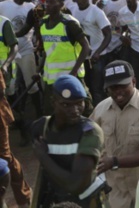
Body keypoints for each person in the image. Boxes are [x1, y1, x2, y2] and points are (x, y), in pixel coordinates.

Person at [90, 60, 139, 208]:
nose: (118, 91)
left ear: (134, 81)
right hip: (115, 194)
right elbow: (90, 140)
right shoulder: (101, 110)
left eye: (123, 86)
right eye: (113, 87)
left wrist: (114, 162)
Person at [30, 75, 105, 207]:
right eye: (66, 105)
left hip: (85, 202)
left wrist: (43, 157)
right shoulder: (41, 126)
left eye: (79, 103)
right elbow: (44, 175)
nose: (75, 110)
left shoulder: (90, 132)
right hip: (56, 199)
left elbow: (75, 185)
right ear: (53, 102)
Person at [37, 0, 91, 111]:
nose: (48, 5)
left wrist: (74, 71)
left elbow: (86, 47)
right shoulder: (43, 23)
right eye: (47, 2)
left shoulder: (69, 23)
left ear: (61, 5)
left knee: (81, 109)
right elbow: (47, 49)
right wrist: (39, 70)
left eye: (52, 2)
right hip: (51, 78)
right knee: (51, 110)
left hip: (71, 77)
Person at [0, 14, 31, 207]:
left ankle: (23, 198)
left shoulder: (3, 22)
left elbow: (14, 46)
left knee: (4, 159)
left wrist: (5, 65)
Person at [71, 0, 112, 106]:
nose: (80, 1)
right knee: (85, 87)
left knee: (97, 88)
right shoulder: (73, 10)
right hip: (82, 56)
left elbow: (108, 34)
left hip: (96, 58)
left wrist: (98, 52)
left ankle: (101, 113)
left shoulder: (96, 12)